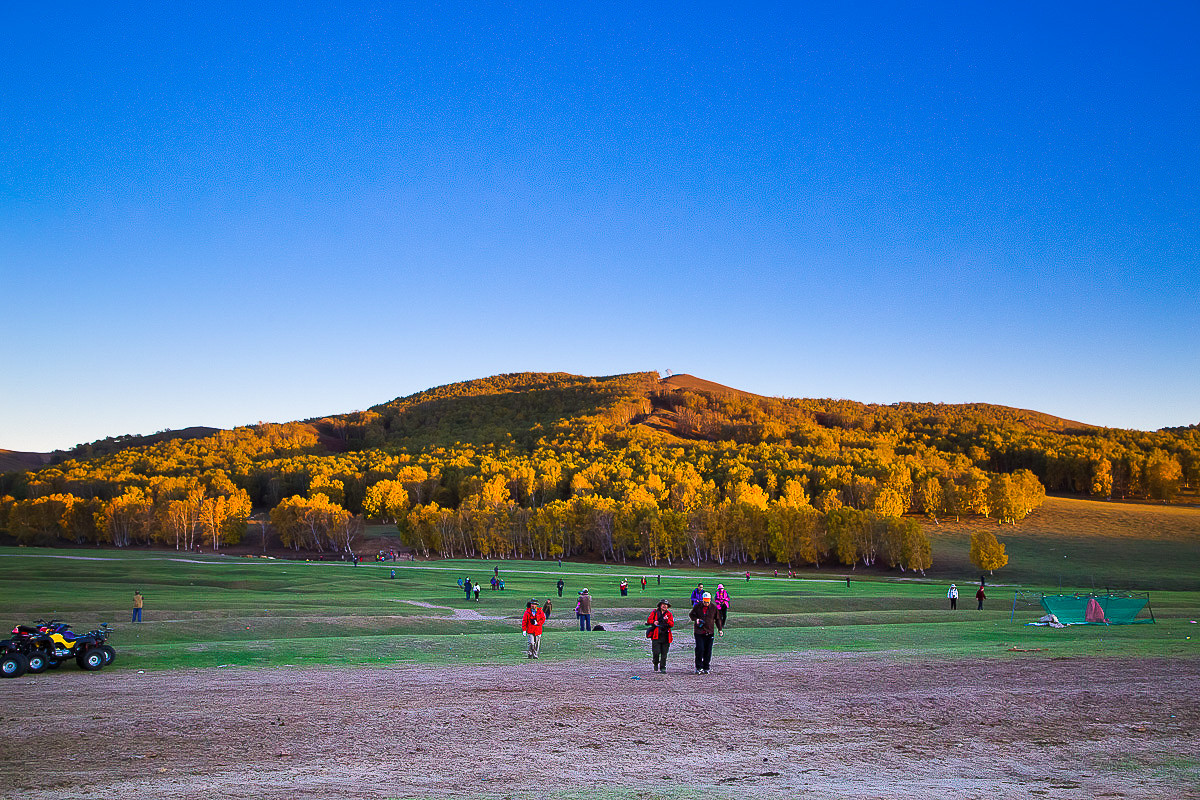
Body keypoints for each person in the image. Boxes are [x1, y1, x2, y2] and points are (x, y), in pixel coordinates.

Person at [689, 591, 723, 674]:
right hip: (699, 632)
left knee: (708, 650)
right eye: (704, 601)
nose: (706, 603)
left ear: (710, 600)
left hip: (710, 631)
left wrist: (720, 629)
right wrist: (696, 619)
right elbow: (691, 614)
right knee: (700, 649)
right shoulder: (697, 606)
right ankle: (698, 667)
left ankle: (706, 667)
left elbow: (718, 619)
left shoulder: (714, 607)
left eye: (707, 602)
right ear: (702, 600)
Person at [645, 599, 674, 673]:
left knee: (664, 653)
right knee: (656, 652)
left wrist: (667, 620)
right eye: (663, 604)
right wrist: (654, 622)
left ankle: (663, 667)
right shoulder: (654, 612)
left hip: (666, 636)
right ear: (660, 605)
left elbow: (672, 624)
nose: (664, 606)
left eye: (666, 605)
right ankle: (655, 662)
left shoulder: (669, 614)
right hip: (656, 635)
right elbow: (649, 620)